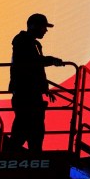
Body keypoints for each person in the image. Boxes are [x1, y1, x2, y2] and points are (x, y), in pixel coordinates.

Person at [7, 13, 64, 152]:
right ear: (34, 26)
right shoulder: (22, 41)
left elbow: (35, 67)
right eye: (44, 26)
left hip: (31, 94)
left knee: (34, 130)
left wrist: (44, 88)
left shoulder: (33, 43)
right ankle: (13, 156)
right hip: (25, 94)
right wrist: (51, 60)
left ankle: (30, 156)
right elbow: (32, 62)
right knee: (24, 128)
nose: (45, 30)